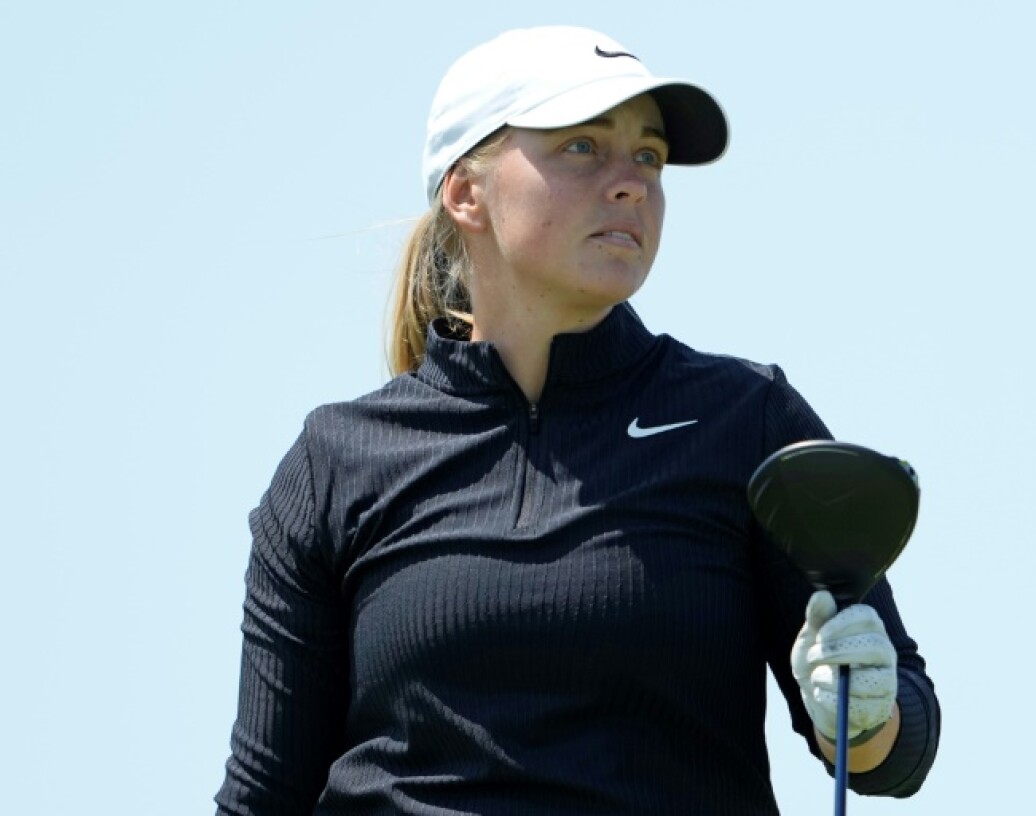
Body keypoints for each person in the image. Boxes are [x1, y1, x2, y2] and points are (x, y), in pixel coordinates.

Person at [215, 25, 940, 816]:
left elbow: (895, 751)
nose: (631, 183)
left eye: (650, 157)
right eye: (584, 148)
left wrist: (862, 714)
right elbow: (263, 799)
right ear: (466, 192)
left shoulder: (744, 420)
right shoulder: (336, 461)